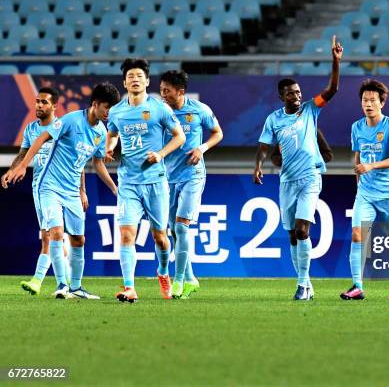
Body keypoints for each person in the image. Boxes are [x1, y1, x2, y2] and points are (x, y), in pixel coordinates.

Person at [4, 83, 121, 299]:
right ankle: (61, 286)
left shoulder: (100, 131)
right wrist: (21, 166)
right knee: (56, 233)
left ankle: (76, 287)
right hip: (49, 186)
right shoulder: (71, 120)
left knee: (78, 240)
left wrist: (115, 189)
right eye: (107, 108)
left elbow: (97, 163)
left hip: (71, 191)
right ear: (95, 104)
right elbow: (41, 139)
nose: (109, 113)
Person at [253, 36, 342, 301]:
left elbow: (332, 90)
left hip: (310, 178)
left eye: (299, 92)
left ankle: (303, 285)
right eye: (291, 93)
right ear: (281, 96)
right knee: (292, 235)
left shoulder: (310, 111)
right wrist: (258, 166)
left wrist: (335, 62)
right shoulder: (274, 120)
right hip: (287, 181)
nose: (297, 96)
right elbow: (264, 147)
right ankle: (305, 282)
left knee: (303, 230)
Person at [106, 58, 186, 303]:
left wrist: (160, 154)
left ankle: (163, 273)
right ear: (125, 82)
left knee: (160, 238)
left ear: (147, 81)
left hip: (155, 181)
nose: (135, 79)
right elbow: (112, 135)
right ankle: (129, 287)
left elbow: (179, 137)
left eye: (139, 76)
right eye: (130, 76)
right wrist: (109, 149)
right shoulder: (117, 111)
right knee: (127, 234)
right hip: (128, 181)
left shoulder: (160, 108)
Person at [1, 88, 76, 295]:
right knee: (49, 235)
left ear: (54, 106)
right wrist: (12, 170)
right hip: (41, 188)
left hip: (63, 187)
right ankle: (60, 282)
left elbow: (77, 161)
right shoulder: (31, 129)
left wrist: (83, 190)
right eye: (37, 101)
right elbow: (23, 154)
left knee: (53, 235)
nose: (39, 106)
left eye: (44, 102)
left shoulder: (63, 128)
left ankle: (47, 281)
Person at [340, 79, 389, 301]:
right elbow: (358, 157)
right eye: (364, 100)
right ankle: (357, 286)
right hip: (365, 194)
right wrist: (359, 178)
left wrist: (372, 166)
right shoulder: (356, 127)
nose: (368, 104)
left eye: (372, 100)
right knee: (357, 234)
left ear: (382, 103)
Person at [159, 70, 224, 299]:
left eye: (167, 91)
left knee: (181, 227)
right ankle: (190, 278)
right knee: (174, 232)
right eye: (161, 90)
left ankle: (178, 281)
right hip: (166, 177)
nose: (163, 94)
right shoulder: (160, 111)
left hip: (193, 175)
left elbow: (218, 133)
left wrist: (201, 148)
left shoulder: (199, 109)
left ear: (181, 92)